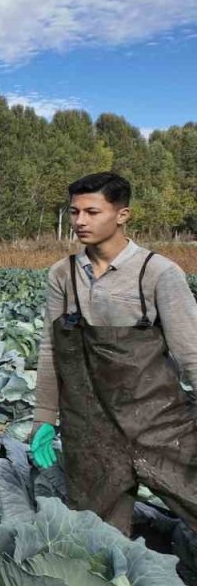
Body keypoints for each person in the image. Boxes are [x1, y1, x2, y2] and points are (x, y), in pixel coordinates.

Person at [32, 172, 197, 536]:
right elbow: (51, 350)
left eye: (92, 212)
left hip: (159, 424)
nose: (79, 222)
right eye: (74, 212)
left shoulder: (158, 273)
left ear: (123, 215)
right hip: (90, 431)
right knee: (99, 540)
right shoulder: (63, 274)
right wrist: (44, 416)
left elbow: (192, 354)